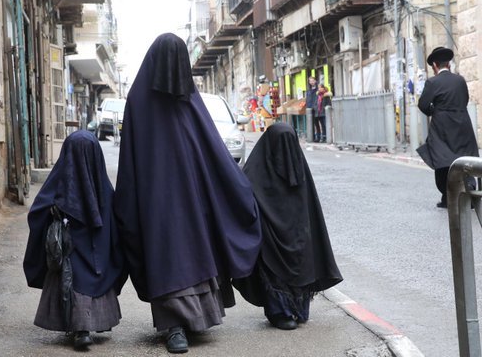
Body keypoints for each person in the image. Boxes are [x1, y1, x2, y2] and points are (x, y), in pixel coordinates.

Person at [113, 33, 262, 354]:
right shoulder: (140, 102)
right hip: (157, 201)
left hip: (191, 200)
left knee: (192, 252)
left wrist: (233, 185)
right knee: (168, 256)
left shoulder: (189, 101)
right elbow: (131, 160)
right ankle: (174, 325)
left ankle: (196, 319)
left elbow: (212, 151)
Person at [23, 130, 126, 351]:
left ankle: (82, 328)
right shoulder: (106, 192)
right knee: (84, 275)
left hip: (72, 255)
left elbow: (37, 214)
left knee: (74, 276)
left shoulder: (57, 188)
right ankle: (84, 328)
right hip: (94, 258)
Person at [234, 123, 343, 330]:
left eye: (289, 143)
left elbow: (310, 212)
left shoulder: (300, 173)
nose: (285, 151)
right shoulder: (255, 172)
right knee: (272, 270)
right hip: (270, 238)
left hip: (297, 237)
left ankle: (297, 309)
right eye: (280, 144)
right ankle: (279, 312)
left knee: (300, 266)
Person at [416, 46, 479, 208]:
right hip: (462, 124)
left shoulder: (432, 82)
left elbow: (423, 105)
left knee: (443, 160)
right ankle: (469, 192)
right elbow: (465, 99)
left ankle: (447, 197)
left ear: (435, 65)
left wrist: (435, 111)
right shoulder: (460, 80)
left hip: (442, 127)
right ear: (449, 64)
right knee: (464, 158)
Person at [306, 76, 319, 141]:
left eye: (312, 81)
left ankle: (318, 137)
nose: (311, 82)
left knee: (317, 123)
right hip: (310, 108)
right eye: (310, 81)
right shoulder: (308, 90)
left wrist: (315, 106)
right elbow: (308, 99)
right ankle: (312, 137)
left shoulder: (318, 89)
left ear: (315, 81)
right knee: (311, 123)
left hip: (316, 108)